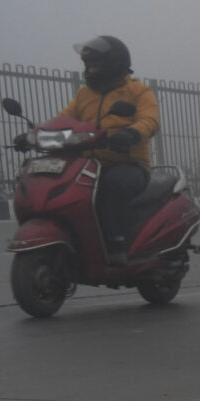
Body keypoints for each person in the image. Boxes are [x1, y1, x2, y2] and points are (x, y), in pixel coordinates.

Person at [59, 36, 159, 249]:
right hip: (88, 164)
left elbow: (150, 119)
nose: (91, 69)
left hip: (128, 163)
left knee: (112, 185)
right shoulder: (84, 94)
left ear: (114, 63)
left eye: (96, 64)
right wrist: (37, 133)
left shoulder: (138, 91)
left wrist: (132, 133)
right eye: (89, 65)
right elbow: (63, 119)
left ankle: (116, 242)